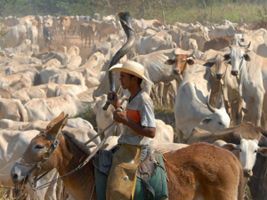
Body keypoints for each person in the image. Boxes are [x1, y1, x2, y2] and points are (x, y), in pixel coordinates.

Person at [106, 60, 156, 200]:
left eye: (123, 77)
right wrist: (116, 106)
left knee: (117, 188)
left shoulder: (144, 100)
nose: (120, 79)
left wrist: (125, 121)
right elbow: (130, 119)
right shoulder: (130, 98)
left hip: (137, 149)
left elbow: (151, 131)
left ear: (134, 79)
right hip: (126, 146)